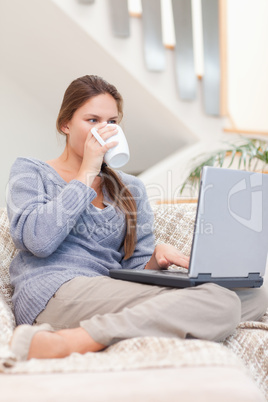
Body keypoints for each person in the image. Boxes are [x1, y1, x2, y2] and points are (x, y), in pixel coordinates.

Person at [7, 75, 268, 361]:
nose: (103, 131)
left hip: (108, 289)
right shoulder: (31, 171)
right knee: (220, 304)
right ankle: (67, 341)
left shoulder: (131, 188)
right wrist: (87, 173)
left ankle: (107, 330)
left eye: (112, 122)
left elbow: (134, 270)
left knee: (252, 296)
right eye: (92, 120)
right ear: (65, 124)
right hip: (54, 292)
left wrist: (157, 258)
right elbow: (38, 240)